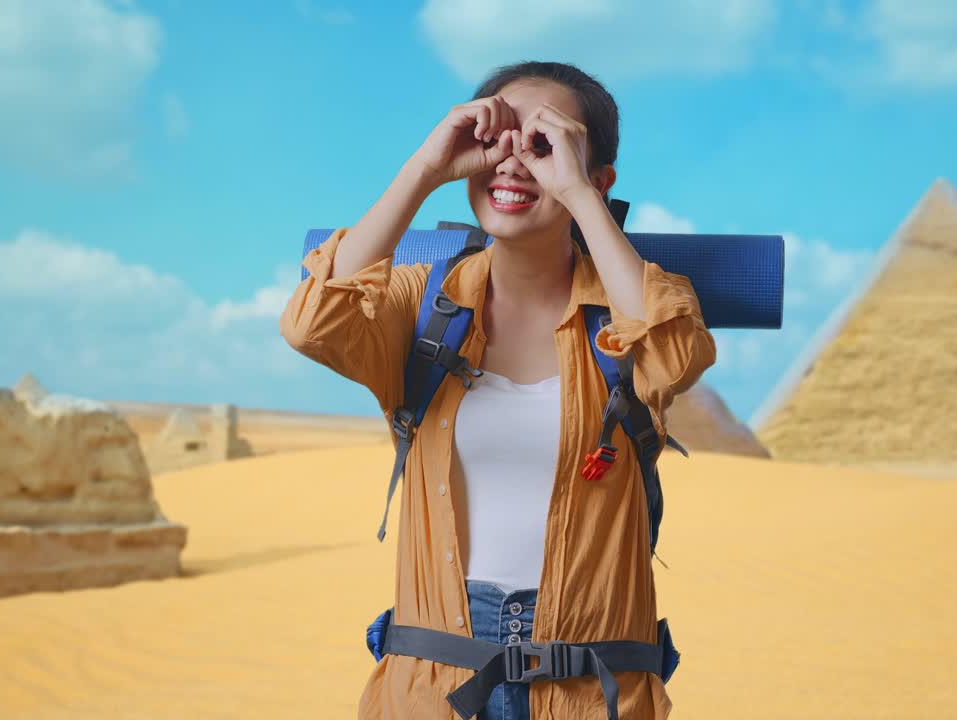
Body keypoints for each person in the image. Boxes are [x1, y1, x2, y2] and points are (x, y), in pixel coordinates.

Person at [280, 60, 717, 720]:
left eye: (544, 145)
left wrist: (578, 197)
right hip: (433, 688)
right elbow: (314, 323)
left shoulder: (630, 308)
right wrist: (426, 168)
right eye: (496, 139)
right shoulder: (422, 303)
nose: (513, 163)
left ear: (597, 178)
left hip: (591, 695)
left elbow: (674, 352)